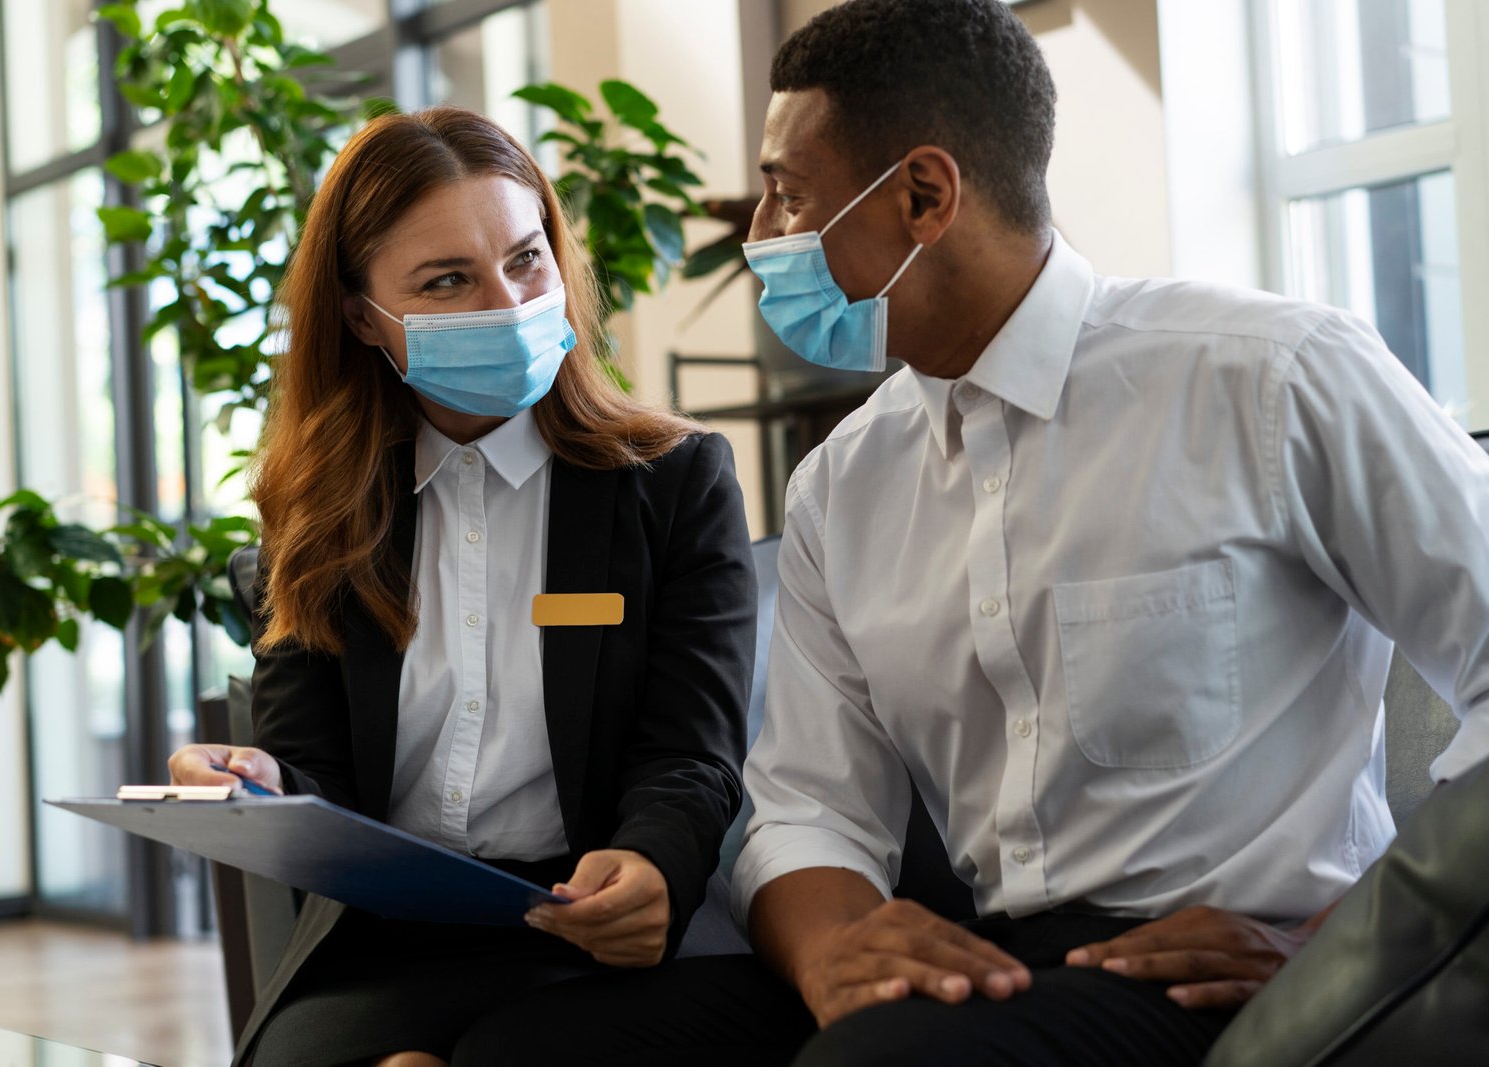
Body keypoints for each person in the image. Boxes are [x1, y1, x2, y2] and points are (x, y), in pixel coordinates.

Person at [450, 1, 1489, 1064]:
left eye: (786, 192)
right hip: (992, 961)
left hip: (1216, 978)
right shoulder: (841, 488)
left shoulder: (1269, 375)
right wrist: (834, 956)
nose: (759, 234)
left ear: (923, 195)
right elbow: (808, 809)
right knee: (532, 1048)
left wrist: (1349, 945)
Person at [166, 106, 757, 1067]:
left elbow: (691, 755)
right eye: (448, 280)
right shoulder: (317, 516)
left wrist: (653, 864)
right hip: (387, 947)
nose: (509, 301)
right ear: (363, 317)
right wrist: (260, 786)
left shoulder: (675, 482)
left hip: (591, 934)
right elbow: (313, 774)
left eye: (527, 259)